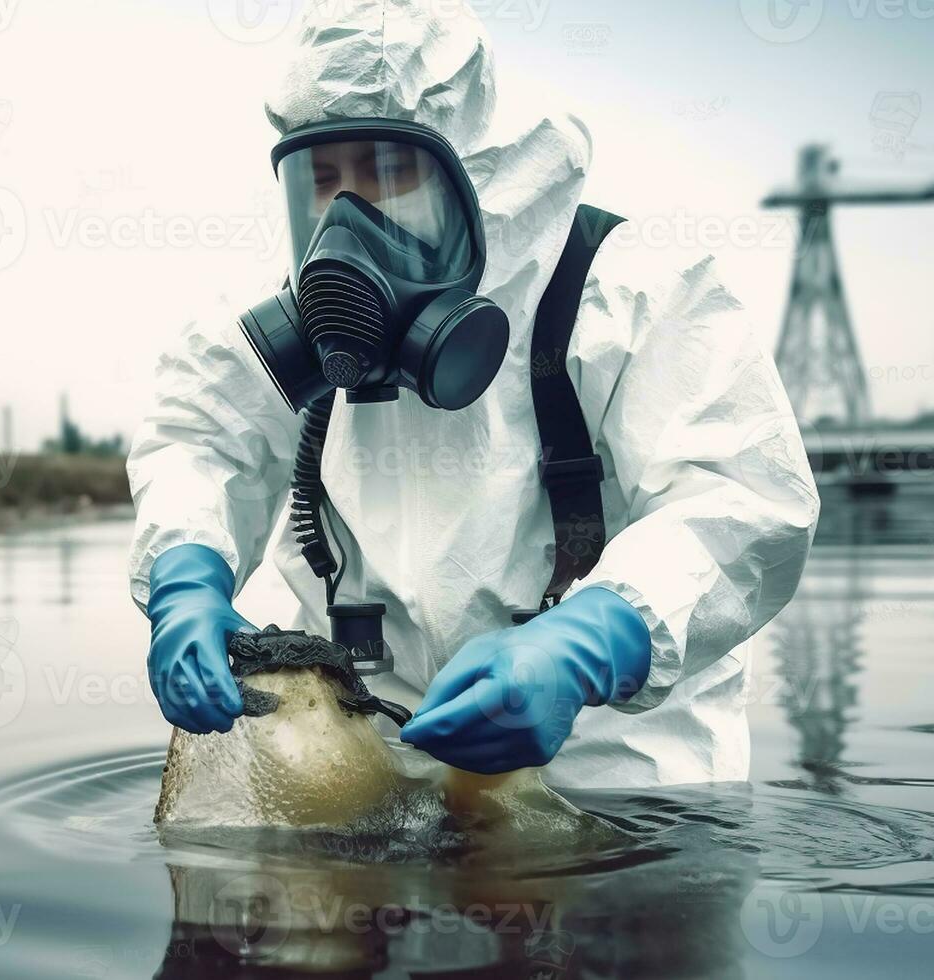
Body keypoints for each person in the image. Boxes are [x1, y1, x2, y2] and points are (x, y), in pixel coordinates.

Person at [130, 0, 820, 788]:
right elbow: (201, 433)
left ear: (471, 175)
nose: (346, 223)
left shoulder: (631, 289)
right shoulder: (288, 319)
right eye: (322, 184)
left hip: (621, 784)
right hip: (371, 776)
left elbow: (743, 500)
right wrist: (185, 578)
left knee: (622, 904)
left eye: (387, 179)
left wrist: (596, 640)